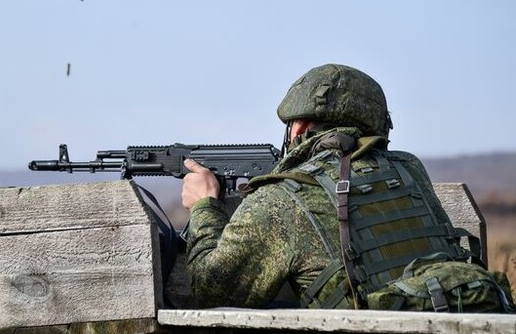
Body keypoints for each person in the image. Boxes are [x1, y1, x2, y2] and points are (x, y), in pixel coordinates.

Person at [181, 63, 514, 312]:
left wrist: (204, 206)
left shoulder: (283, 199)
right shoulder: (409, 169)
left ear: (300, 125)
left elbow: (213, 292)